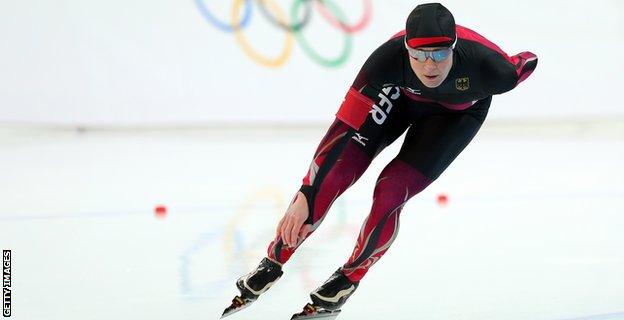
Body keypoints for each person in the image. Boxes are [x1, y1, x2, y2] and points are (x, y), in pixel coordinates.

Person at [222, 3, 537, 318]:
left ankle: (347, 279)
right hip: (401, 99)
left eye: (440, 54)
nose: (430, 66)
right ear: (405, 49)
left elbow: (527, 61)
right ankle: (272, 263)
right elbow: (342, 130)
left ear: (454, 47)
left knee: (391, 190)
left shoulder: (494, 70)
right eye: (419, 55)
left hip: (456, 116)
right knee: (331, 177)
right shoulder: (384, 62)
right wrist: (306, 190)